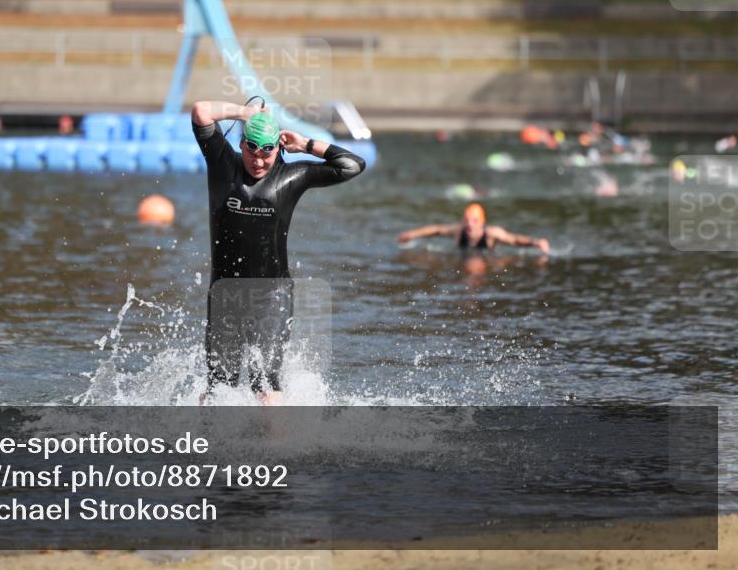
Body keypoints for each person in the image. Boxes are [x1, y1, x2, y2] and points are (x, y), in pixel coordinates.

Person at [191, 100, 366, 404]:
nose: (258, 161)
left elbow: (352, 165)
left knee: (266, 384)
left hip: (272, 296)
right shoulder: (222, 163)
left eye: (267, 152)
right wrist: (244, 113)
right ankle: (203, 447)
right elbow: (200, 111)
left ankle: (277, 451)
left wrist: (307, 144)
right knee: (219, 386)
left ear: (277, 149)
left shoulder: (291, 176)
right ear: (241, 143)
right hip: (225, 294)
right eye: (251, 150)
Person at [397, 202, 550, 254]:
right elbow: (436, 229)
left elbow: (514, 240)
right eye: (467, 221)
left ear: (481, 222)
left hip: (488, 258)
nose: (470, 224)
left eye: (474, 221)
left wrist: (536, 242)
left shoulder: (491, 233)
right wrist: (410, 235)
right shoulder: (459, 231)